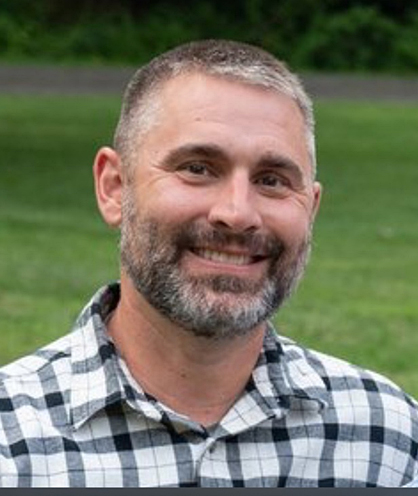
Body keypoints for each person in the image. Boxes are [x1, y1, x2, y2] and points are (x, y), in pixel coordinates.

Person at [0, 39, 417, 488]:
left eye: (272, 180)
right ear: (115, 187)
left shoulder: (387, 444)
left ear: (310, 209)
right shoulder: (13, 444)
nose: (237, 213)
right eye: (198, 168)